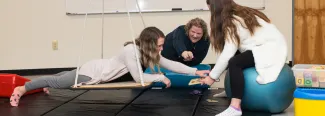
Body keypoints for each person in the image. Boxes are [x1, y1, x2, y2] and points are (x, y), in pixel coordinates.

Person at [10, 26, 210, 107]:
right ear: (149, 44)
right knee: (60, 82)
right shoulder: (132, 51)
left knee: (65, 75)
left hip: (96, 66)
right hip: (93, 74)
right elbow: (139, 78)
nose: (162, 48)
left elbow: (172, 64)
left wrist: (194, 71)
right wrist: (160, 77)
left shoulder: (149, 52)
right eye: (159, 45)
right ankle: (22, 87)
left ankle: (39, 84)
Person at [200, 0, 288, 116]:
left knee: (235, 62)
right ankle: (230, 90)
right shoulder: (239, 13)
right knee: (235, 57)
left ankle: (235, 107)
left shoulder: (233, 21)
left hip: (270, 49)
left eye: (210, 8)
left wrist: (212, 77)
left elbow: (227, 54)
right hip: (269, 45)